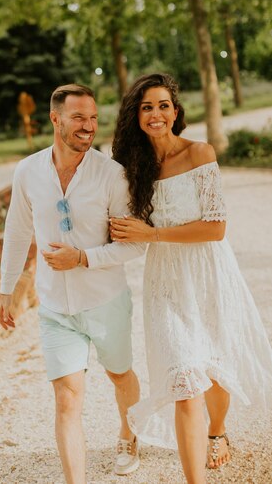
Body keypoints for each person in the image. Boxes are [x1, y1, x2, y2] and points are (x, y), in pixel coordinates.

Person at [109, 73, 272, 484]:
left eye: (163, 105)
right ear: (136, 116)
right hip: (164, 280)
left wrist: (154, 233)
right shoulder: (133, 167)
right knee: (184, 375)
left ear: (176, 112)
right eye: (147, 107)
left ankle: (217, 430)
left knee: (213, 366)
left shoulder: (200, 153)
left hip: (208, 272)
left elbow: (216, 227)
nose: (156, 114)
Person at [0, 84, 145, 484]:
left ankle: (129, 435)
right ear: (55, 118)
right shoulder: (28, 171)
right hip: (55, 309)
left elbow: (133, 247)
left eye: (93, 118)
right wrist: (6, 289)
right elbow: (16, 230)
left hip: (105, 300)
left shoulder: (112, 175)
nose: (88, 126)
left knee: (120, 376)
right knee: (66, 399)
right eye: (79, 117)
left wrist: (82, 258)